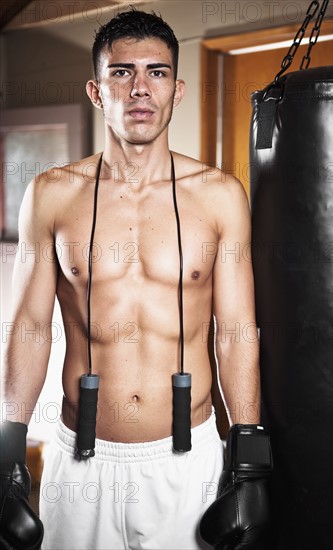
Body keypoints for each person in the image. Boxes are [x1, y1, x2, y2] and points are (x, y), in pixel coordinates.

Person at [0, 8, 272, 550]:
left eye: (157, 72)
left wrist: (249, 463)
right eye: (122, 72)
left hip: (185, 458)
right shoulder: (52, 194)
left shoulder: (219, 196)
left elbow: (237, 330)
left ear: (178, 89)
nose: (141, 89)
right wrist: (7, 451)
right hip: (81, 461)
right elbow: (29, 325)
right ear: (97, 92)